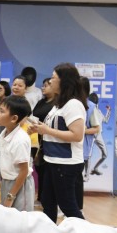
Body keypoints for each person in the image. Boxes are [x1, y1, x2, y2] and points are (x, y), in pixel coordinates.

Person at [31, 63, 87, 221]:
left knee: (68, 206)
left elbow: (77, 135)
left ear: (64, 81)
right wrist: (40, 129)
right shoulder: (58, 104)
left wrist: (47, 131)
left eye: (53, 79)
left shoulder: (74, 105)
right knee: (48, 202)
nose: (50, 82)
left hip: (66, 163)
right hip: (52, 159)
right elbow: (54, 129)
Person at [0, 95, 35, 211]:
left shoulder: (20, 140)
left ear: (13, 118)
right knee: (7, 218)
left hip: (19, 185)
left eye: (1, 111)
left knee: (20, 220)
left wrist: (11, 196)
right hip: (7, 182)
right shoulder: (4, 133)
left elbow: (23, 171)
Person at [84, 92, 108, 180]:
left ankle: (95, 168)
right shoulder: (87, 110)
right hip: (89, 135)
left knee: (105, 154)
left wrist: (108, 111)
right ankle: (86, 175)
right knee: (87, 155)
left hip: (98, 135)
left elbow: (105, 120)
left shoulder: (99, 111)